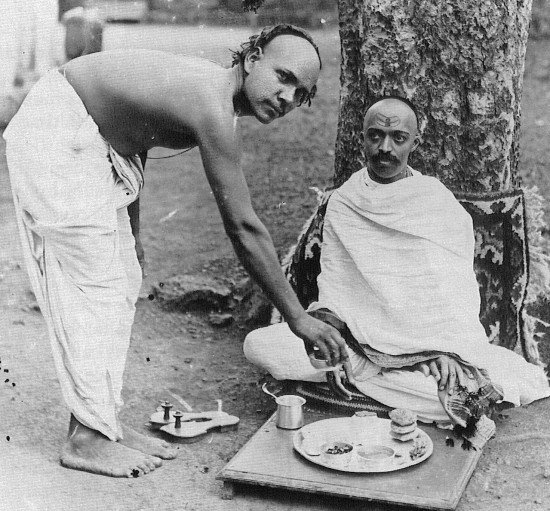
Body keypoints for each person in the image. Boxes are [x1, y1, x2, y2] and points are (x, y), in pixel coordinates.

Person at [3, 24, 352, 478]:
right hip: (57, 123)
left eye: (300, 93)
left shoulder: (214, 100)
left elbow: (134, 135)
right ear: (251, 60)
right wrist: (298, 318)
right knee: (95, 281)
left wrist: (134, 229)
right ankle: (85, 438)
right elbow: (243, 227)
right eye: (283, 76)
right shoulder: (210, 101)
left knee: (120, 273)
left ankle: (100, 424)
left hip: (94, 137)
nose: (287, 96)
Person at [244, 97, 550, 444]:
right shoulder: (345, 201)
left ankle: (385, 381)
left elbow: (452, 297)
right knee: (259, 345)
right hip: (356, 343)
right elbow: (335, 286)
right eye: (375, 136)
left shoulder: (434, 202)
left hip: (425, 344)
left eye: (397, 137)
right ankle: (403, 382)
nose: (384, 148)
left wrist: (438, 352)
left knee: (488, 380)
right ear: (362, 138)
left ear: (415, 142)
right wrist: (341, 340)